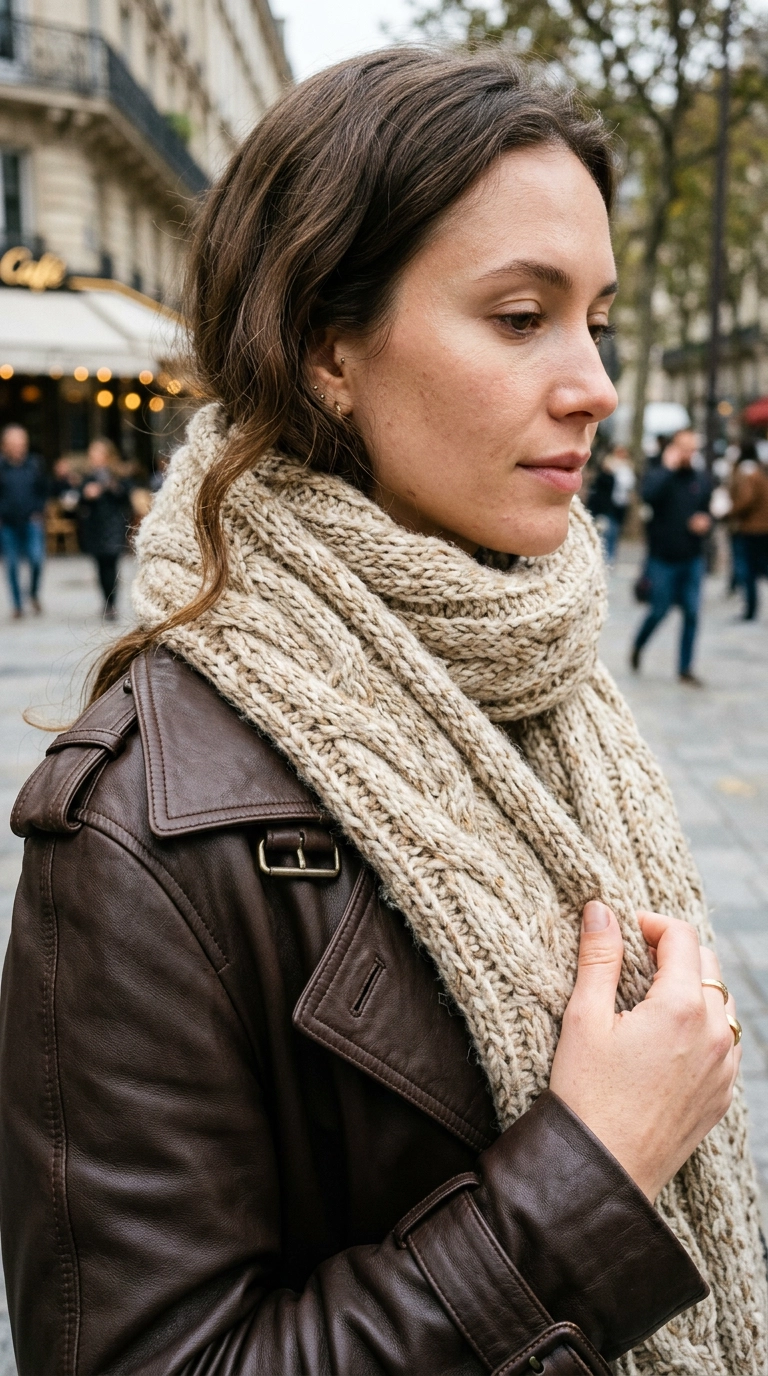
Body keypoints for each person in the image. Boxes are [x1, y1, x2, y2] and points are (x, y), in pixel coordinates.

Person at [1, 50, 762, 1376]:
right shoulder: (137, 826)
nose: (590, 381)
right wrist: (587, 1173)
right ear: (327, 347)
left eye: (600, 318)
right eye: (522, 317)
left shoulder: (548, 673)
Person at [630, 429, 713, 685]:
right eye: (684, 448)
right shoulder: (659, 475)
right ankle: (638, 644)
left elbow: (709, 510)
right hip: (662, 557)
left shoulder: (702, 479)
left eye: (693, 449)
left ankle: (685, 668)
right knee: (659, 610)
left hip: (692, 557)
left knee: (691, 612)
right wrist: (668, 468)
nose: (689, 454)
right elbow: (648, 497)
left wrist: (707, 522)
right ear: (674, 449)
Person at [77, 437, 133, 619]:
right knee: (101, 565)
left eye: (97, 453)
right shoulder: (88, 477)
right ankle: (107, 602)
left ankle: (112, 603)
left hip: (113, 525)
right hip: (95, 526)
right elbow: (78, 501)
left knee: (112, 563)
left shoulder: (117, 475)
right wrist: (86, 495)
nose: (93, 457)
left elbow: (126, 498)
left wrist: (113, 488)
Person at [0, 423, 47, 618]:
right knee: (11, 564)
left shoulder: (35, 464)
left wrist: (39, 510)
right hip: (7, 524)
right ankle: (18, 605)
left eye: (21, 441)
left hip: (31, 521)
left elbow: (44, 490)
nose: (18, 446)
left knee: (36, 559)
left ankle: (33, 593)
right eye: (14, 442)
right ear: (5, 445)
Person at [729, 443, 768, 620]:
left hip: (751, 528)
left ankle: (750, 609)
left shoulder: (747, 472)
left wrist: (729, 512)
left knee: (749, 570)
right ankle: (750, 608)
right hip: (761, 527)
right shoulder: (759, 470)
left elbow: (746, 499)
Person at [586, 443, 635, 563]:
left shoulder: (627, 468)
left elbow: (629, 485)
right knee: (607, 531)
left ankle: (610, 556)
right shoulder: (610, 468)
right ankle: (603, 556)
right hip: (608, 505)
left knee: (614, 531)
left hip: (620, 505)